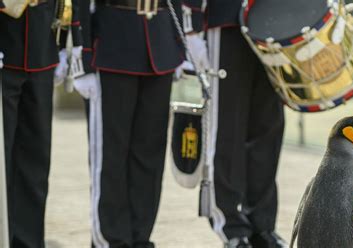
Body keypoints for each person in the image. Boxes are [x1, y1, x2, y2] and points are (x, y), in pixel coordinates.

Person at [75, 0, 186, 247]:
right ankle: (111, 238)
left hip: (160, 43)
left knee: (150, 153)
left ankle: (140, 236)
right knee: (111, 154)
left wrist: (179, 44)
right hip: (112, 43)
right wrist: (81, 56)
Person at [184, 0, 287, 247]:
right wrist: (192, 26)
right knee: (226, 128)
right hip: (227, 18)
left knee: (268, 128)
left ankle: (262, 224)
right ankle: (230, 224)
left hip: (275, 20)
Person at [0, 0, 82, 246]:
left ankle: (28, 241)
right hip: (5, 46)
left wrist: (62, 41)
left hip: (41, 48)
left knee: (35, 159)